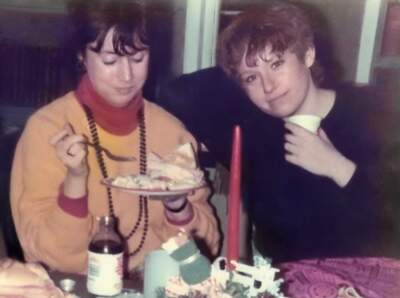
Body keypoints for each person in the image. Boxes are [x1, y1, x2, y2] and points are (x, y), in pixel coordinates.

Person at [159, 1, 399, 263]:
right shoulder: (253, 130)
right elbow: (176, 93)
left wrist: (338, 167)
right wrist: (244, 63)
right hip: (283, 284)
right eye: (252, 78)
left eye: (277, 64)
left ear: (308, 54)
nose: (269, 86)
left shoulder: (370, 115)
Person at [10, 0, 219, 274]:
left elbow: (202, 256)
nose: (127, 75)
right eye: (110, 60)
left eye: (138, 58)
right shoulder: (48, 129)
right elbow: (53, 257)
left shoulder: (172, 134)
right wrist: (75, 181)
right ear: (82, 57)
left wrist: (178, 206)